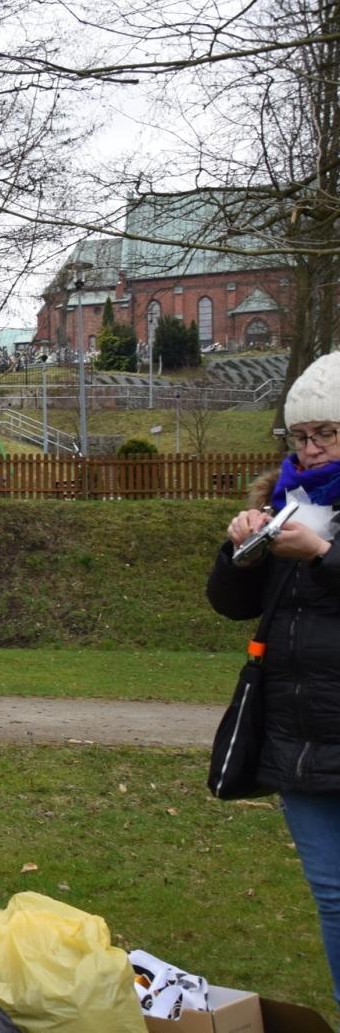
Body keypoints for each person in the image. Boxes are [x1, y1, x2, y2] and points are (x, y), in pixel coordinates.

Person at [208, 350, 340, 1015]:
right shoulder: (284, 502)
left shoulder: (317, 528)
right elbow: (230, 604)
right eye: (300, 436)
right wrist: (240, 547)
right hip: (303, 738)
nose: (311, 451)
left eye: (328, 435)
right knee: (333, 895)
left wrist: (322, 555)